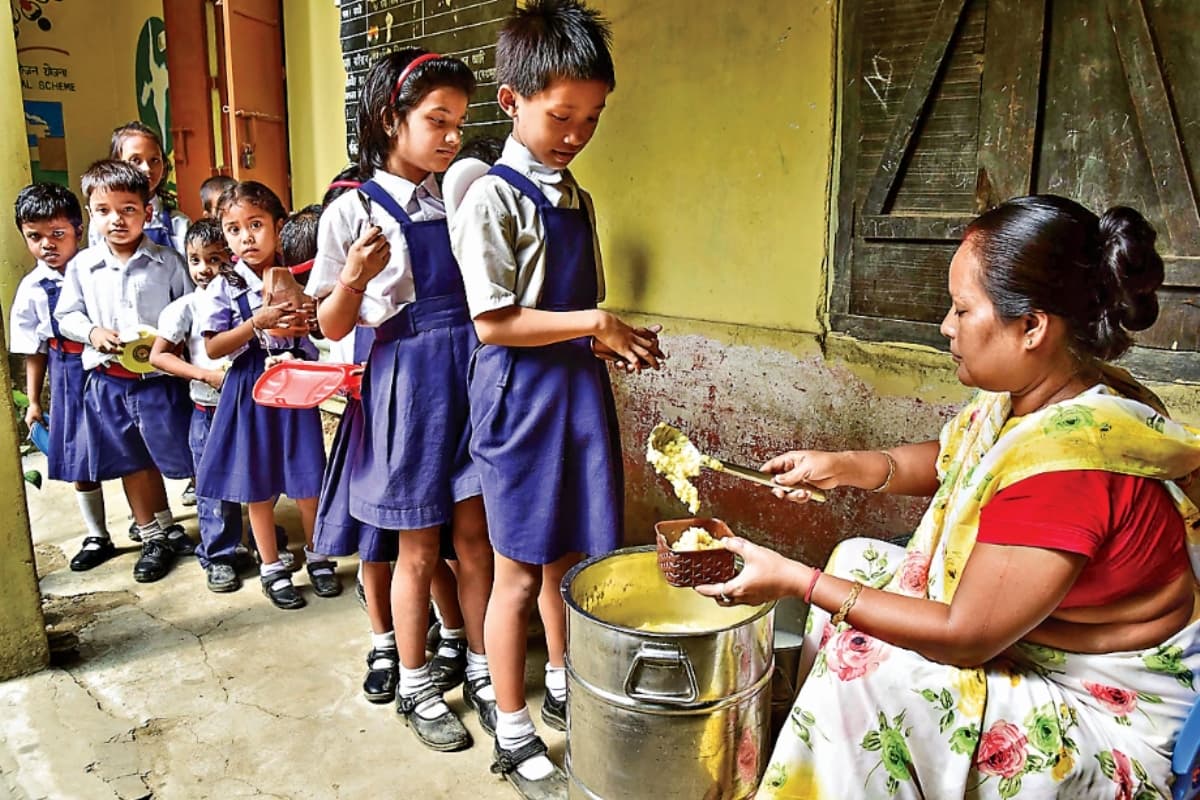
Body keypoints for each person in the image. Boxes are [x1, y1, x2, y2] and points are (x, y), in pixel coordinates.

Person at [699, 195, 1200, 799]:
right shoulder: (1041, 394)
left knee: (866, 667)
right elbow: (954, 462)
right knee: (859, 559)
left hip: (1103, 712)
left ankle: (838, 763)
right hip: (1046, 644)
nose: (946, 326)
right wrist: (845, 467)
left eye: (962, 310)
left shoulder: (1068, 466)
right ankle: (828, 759)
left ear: (1032, 326)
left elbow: (966, 635)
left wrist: (792, 580)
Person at [449, 1, 664, 792]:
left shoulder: (578, 198)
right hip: (519, 400)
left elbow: (572, 312)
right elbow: (497, 322)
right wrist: (597, 323)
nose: (576, 133)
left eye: (593, 117)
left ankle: (567, 686)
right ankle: (510, 728)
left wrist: (611, 340)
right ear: (511, 102)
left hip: (576, 389)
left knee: (569, 562)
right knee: (516, 571)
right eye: (562, 115)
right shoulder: (492, 199)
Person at [309, 49, 494, 753]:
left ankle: (480, 664)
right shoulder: (350, 210)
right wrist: (354, 277)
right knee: (416, 547)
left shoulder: (465, 195)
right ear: (392, 118)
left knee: (475, 541)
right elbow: (331, 325)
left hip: (474, 372)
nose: (451, 136)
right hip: (408, 383)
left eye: (459, 122)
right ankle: (416, 683)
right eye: (436, 121)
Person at [195, 181, 337, 610]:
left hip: (294, 382)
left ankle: (319, 555)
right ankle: (272, 566)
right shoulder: (224, 286)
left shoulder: (301, 276)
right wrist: (258, 321)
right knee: (256, 483)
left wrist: (306, 322)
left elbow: (321, 328)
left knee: (308, 476)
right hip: (249, 388)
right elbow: (214, 347)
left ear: (279, 225)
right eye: (234, 229)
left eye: (256, 225)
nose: (246, 238)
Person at [55, 160, 196, 583]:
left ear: (147, 212)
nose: (117, 219)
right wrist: (92, 331)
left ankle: (173, 524)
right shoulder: (81, 267)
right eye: (104, 210)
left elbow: (189, 309)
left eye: (128, 209)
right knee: (132, 459)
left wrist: (173, 341)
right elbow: (67, 315)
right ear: (90, 213)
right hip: (110, 382)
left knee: (173, 453)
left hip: (160, 382)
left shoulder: (168, 262)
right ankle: (154, 535)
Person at [9, 182, 116, 571]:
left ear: (77, 230)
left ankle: (153, 524)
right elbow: (33, 351)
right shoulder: (32, 290)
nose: (47, 245)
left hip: (111, 366)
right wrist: (35, 401)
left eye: (58, 234)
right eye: (35, 237)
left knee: (128, 445)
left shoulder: (98, 271)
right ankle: (97, 534)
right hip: (67, 371)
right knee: (79, 456)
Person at [148, 219, 247, 592]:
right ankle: (218, 554)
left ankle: (250, 542)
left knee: (251, 476)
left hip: (246, 407)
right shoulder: (185, 308)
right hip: (207, 410)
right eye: (195, 260)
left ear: (232, 259)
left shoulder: (244, 300)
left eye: (216, 259)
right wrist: (204, 376)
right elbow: (159, 357)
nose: (205, 269)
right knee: (211, 485)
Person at [91, 122, 190, 256]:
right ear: (117, 164)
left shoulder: (179, 224)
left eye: (154, 160)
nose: (147, 168)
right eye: (136, 160)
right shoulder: (101, 223)